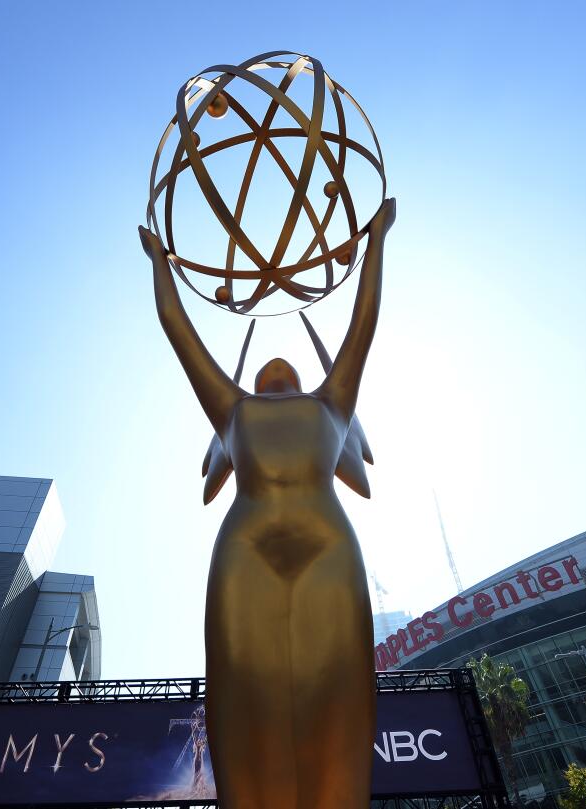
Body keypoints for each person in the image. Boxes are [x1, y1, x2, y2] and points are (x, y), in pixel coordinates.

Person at [138, 198, 395, 809]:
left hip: (329, 548)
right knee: (242, 699)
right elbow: (177, 327)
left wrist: (379, 238)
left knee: (337, 697)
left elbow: (365, 319)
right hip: (244, 553)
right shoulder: (231, 410)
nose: (277, 363)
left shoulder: (334, 402)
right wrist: (158, 263)